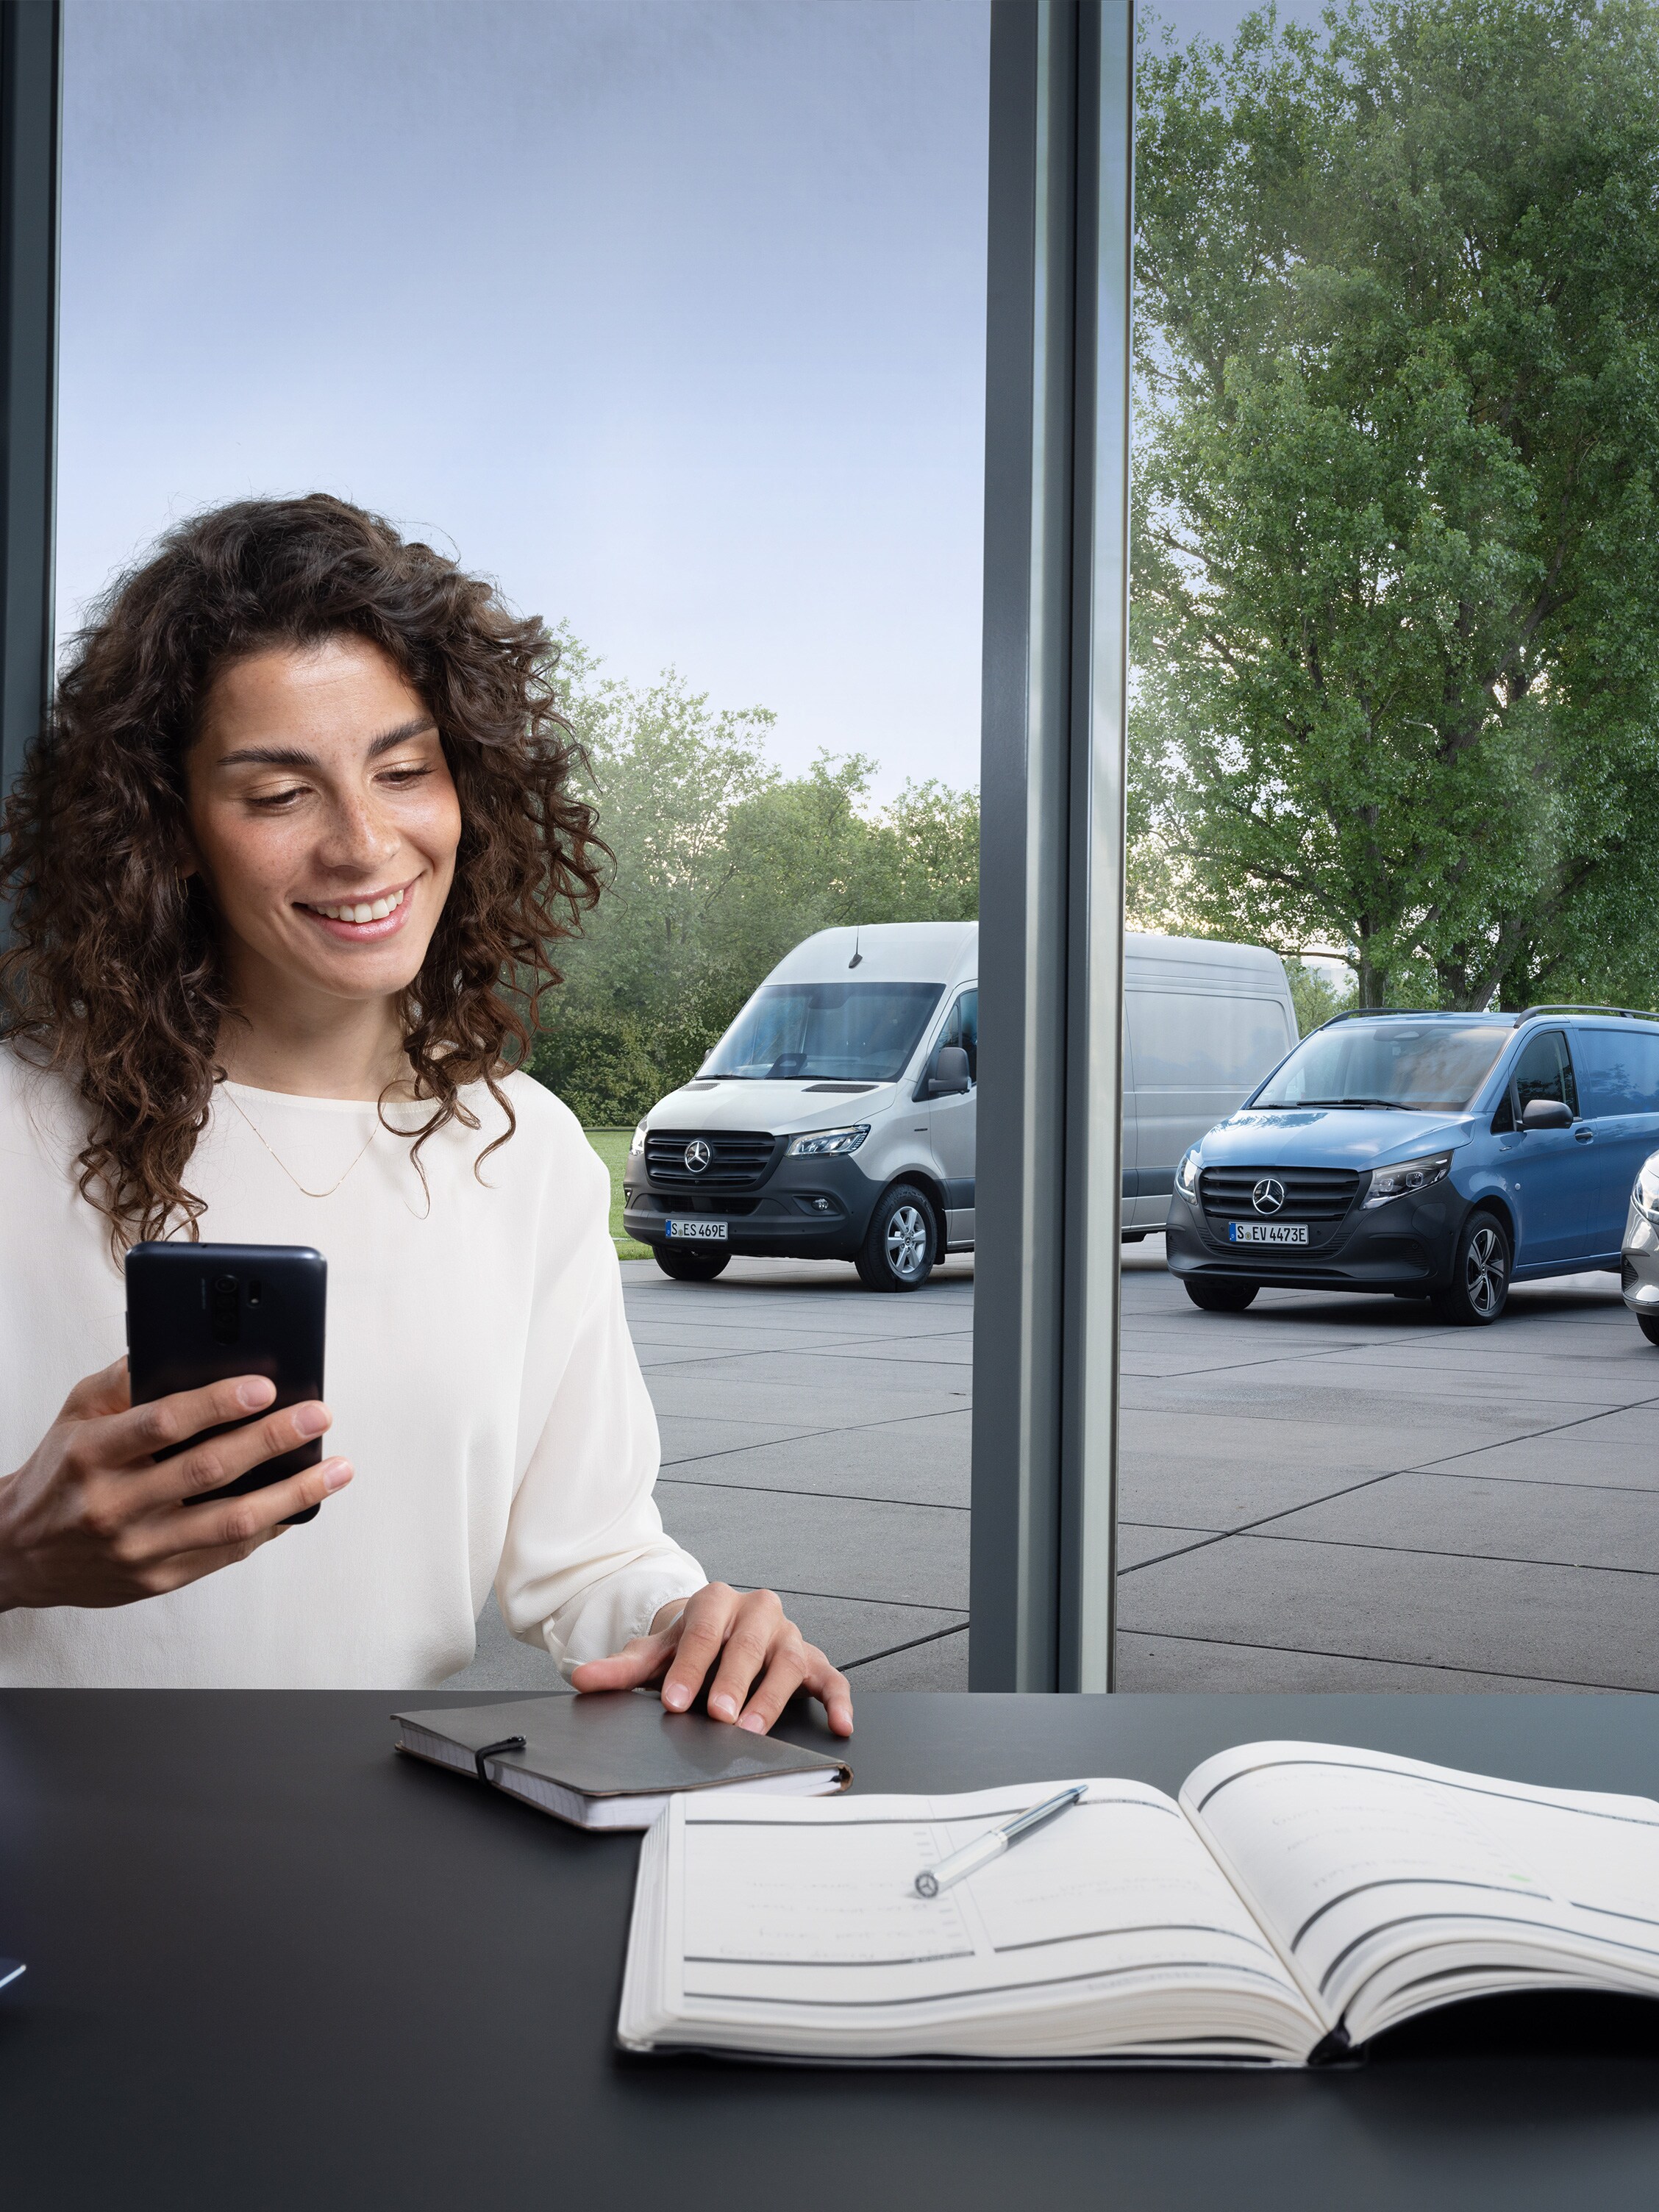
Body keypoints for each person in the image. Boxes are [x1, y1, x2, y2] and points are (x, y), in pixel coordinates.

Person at [0, 494, 852, 1736]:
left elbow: (591, 1560)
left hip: (376, 1845)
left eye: (404, 771)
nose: (366, 844)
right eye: (280, 793)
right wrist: (11, 1553)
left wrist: (699, 1630)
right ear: (168, 830)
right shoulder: (14, 1128)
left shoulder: (531, 1153)